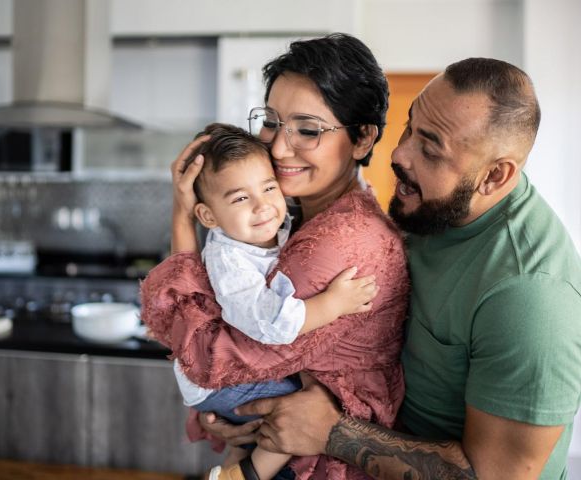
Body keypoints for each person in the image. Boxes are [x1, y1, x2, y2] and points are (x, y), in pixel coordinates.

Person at [229, 58, 581, 480]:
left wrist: (331, 431)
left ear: (495, 176)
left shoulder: (530, 295)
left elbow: (498, 476)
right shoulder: (431, 211)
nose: (399, 154)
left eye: (430, 149)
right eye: (409, 127)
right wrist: (260, 416)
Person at [141, 33, 410, 480]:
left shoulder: (336, 244)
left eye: (307, 129)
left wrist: (182, 219)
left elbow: (210, 360)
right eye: (271, 121)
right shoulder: (294, 217)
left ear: (362, 138)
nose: (279, 148)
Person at [170, 122, 379, 480]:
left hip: (222, 376)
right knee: (300, 402)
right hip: (220, 381)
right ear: (207, 216)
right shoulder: (229, 261)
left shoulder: (265, 231)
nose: (263, 205)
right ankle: (246, 475)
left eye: (269, 187)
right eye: (240, 198)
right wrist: (334, 303)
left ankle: (235, 460)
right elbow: (270, 323)